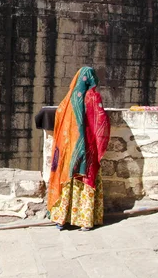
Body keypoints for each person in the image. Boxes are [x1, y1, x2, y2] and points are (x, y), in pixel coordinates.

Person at [47, 66, 111, 231]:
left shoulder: (68, 99)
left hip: (69, 151)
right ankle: (85, 221)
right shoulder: (92, 96)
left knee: (68, 180)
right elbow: (101, 119)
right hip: (87, 149)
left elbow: (59, 116)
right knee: (86, 179)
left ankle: (61, 220)